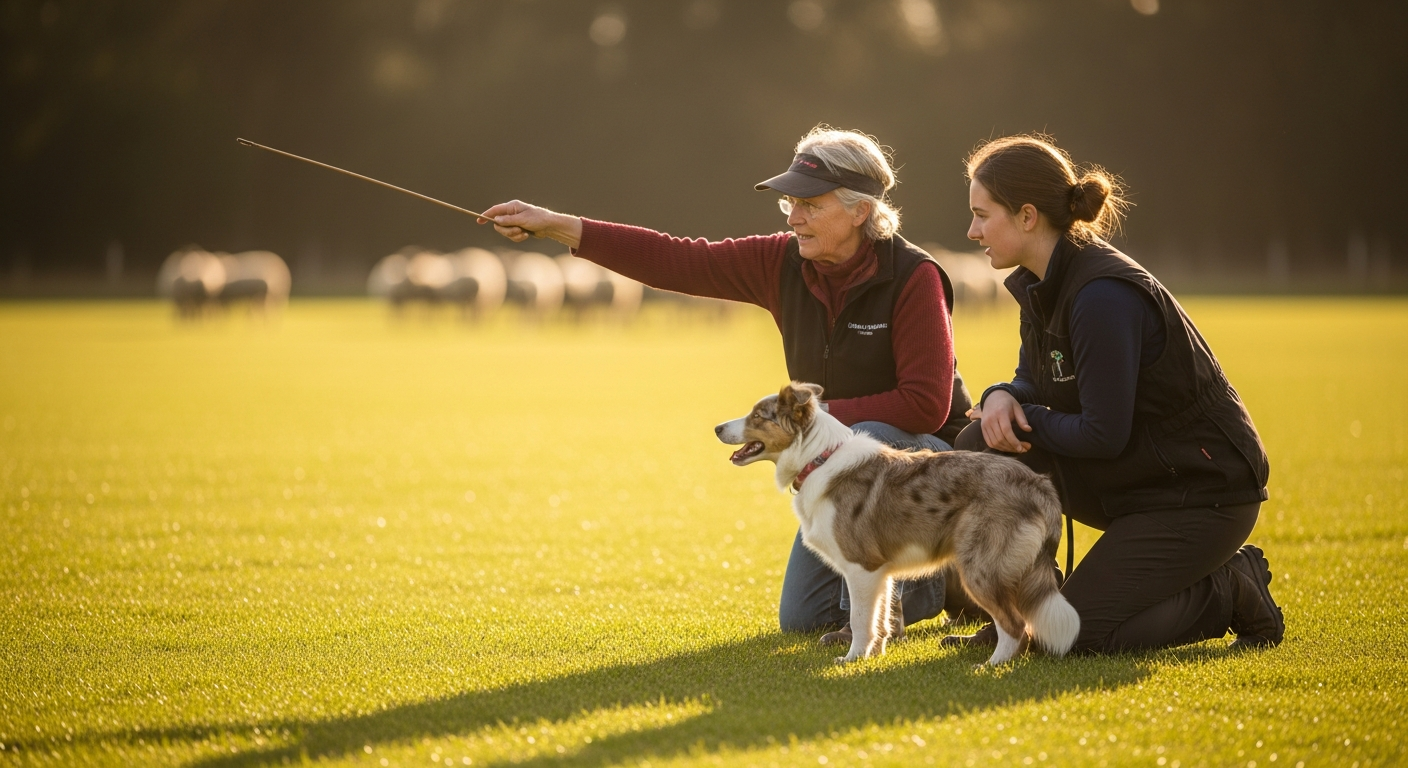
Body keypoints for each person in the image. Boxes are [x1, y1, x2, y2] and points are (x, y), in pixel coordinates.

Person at [477, 126, 973, 641]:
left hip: (925, 462)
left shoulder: (915, 276)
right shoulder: (781, 260)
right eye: (789, 204)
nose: (794, 217)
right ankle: (949, 578)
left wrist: (810, 423)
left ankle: (922, 585)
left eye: (809, 204)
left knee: (874, 431)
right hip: (839, 459)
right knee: (804, 621)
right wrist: (561, 227)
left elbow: (923, 405)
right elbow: (679, 260)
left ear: (860, 211)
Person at [949, 134, 1284, 653]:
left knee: (1075, 641)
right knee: (980, 443)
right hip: (1137, 477)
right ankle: (1023, 613)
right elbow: (1031, 380)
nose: (971, 231)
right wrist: (1000, 395)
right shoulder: (1042, 282)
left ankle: (1230, 586)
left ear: (1028, 216)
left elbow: (1103, 433)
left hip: (1199, 493)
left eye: (981, 214)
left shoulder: (1102, 295)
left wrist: (1026, 409)